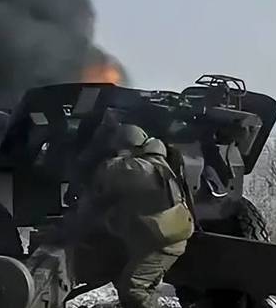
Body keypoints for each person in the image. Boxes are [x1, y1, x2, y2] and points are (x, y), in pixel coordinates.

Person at [42, 123, 194, 308]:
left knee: (133, 289)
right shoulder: (157, 162)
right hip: (159, 236)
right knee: (135, 282)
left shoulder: (137, 169)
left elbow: (108, 174)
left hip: (162, 244)